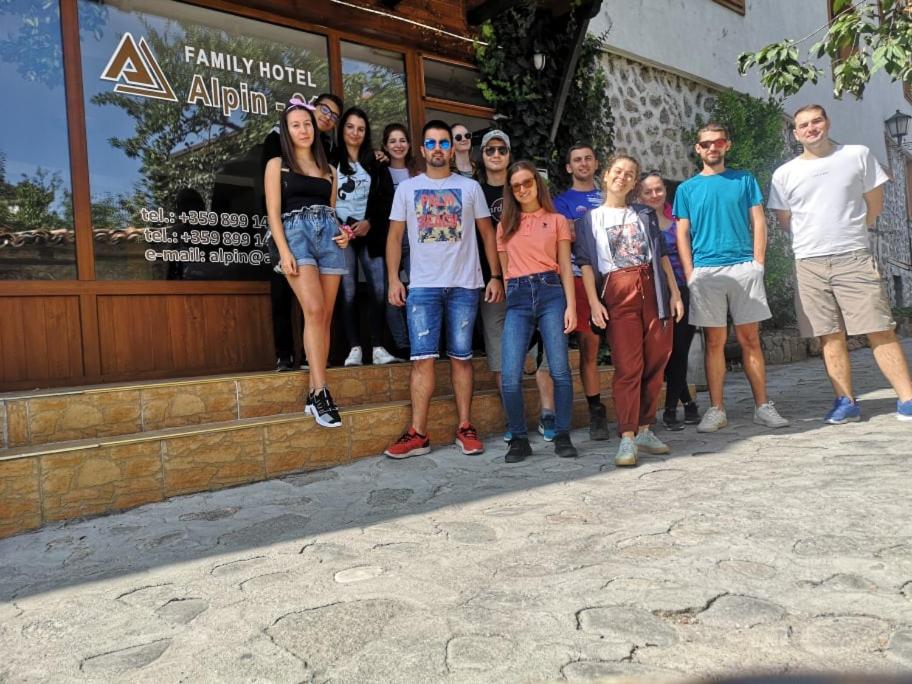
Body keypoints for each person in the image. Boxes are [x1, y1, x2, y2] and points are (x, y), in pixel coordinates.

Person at [768, 104, 912, 423]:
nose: (810, 128)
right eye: (803, 125)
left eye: (816, 121)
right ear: (795, 133)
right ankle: (845, 401)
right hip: (808, 262)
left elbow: (874, 202)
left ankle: (907, 398)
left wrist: (852, 230)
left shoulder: (856, 155)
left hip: (853, 256)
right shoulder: (785, 173)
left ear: (827, 122)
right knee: (828, 334)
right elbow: (784, 218)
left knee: (879, 327)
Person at [384, 120, 504, 459]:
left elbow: (487, 235)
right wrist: (394, 279)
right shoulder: (407, 189)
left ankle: (465, 427)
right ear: (422, 150)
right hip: (422, 286)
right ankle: (418, 433)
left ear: (452, 149)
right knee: (421, 360)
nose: (438, 149)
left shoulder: (470, 189)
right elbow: (394, 236)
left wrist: (495, 276)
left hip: (464, 284)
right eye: (431, 143)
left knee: (462, 358)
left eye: (444, 143)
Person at [674, 122, 790, 433]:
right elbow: (682, 232)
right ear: (698, 149)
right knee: (714, 342)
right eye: (706, 143)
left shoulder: (744, 179)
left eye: (719, 142)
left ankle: (763, 406)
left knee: (750, 339)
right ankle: (716, 409)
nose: (713, 147)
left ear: (727, 145)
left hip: (743, 267)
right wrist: (690, 274)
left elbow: (759, 220)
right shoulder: (686, 189)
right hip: (706, 271)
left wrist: (759, 263)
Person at [576, 154, 684, 466]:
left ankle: (645, 428)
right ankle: (626, 435)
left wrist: (675, 293)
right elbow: (584, 263)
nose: (623, 178)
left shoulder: (644, 214)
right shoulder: (589, 218)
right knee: (627, 364)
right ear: (606, 175)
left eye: (630, 174)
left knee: (657, 358)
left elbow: (661, 255)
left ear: (634, 182)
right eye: (618, 172)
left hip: (653, 289)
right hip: (617, 292)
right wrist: (594, 302)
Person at [264, 98, 350, 427]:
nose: (303, 129)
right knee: (313, 310)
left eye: (307, 124)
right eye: (296, 125)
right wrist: (283, 251)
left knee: (324, 318)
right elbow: (272, 212)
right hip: (295, 236)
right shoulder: (277, 165)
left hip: (328, 238)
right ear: (287, 131)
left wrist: (344, 234)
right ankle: (320, 390)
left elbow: (332, 212)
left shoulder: (329, 170)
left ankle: (315, 393)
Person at [497, 161, 578, 463]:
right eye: (515, 186)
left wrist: (571, 305)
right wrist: (513, 295)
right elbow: (506, 273)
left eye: (527, 182)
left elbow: (567, 268)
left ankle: (562, 433)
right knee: (509, 374)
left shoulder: (556, 220)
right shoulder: (504, 225)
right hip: (518, 296)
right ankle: (518, 438)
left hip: (550, 292)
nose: (522, 189)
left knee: (559, 369)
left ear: (536, 183)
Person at [552, 144, 611, 441]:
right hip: (576, 278)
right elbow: (568, 236)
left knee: (611, 346)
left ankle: (608, 407)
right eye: (577, 159)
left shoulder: (609, 196)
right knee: (588, 345)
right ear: (568, 167)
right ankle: (594, 411)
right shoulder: (561, 202)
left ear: (596, 163)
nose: (583, 163)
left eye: (588, 158)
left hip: (613, 277)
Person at [333, 107, 399, 366]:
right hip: (341, 235)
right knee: (347, 291)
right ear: (342, 129)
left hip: (370, 234)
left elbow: (386, 201)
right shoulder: (330, 158)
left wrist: (370, 223)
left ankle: (379, 347)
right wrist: (339, 227)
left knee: (380, 288)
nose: (355, 133)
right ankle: (354, 348)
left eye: (361, 128)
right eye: (350, 126)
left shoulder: (375, 160)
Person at [638, 171, 701, 430]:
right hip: (652, 293)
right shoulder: (636, 221)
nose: (654, 195)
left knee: (680, 350)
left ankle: (671, 408)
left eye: (659, 190)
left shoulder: (679, 219)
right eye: (648, 191)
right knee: (663, 352)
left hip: (683, 290)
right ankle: (687, 403)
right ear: (638, 195)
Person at [373, 123, 422, 358]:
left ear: (409, 145)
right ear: (384, 145)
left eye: (402, 140)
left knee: (419, 289)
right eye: (392, 141)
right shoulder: (379, 171)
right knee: (391, 290)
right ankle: (403, 345)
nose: (398, 145)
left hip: (415, 240)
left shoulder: (418, 174)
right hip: (388, 237)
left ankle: (421, 339)